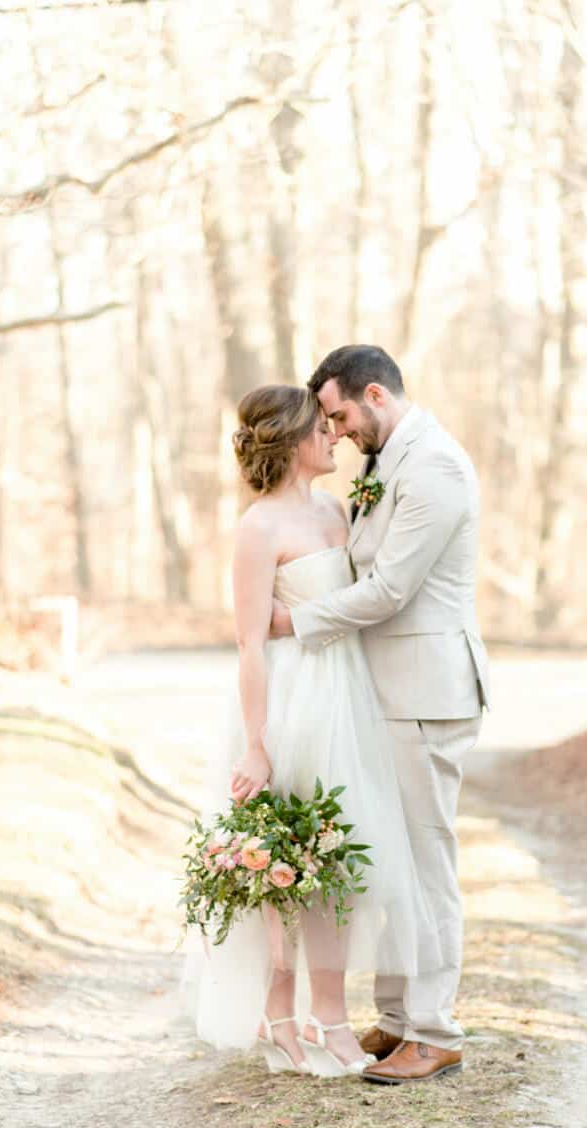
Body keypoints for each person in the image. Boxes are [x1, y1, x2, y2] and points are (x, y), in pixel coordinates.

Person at [184, 383, 443, 1079]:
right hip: (293, 700)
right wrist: (258, 742)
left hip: (350, 694)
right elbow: (248, 645)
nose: (334, 435)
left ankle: (332, 1014)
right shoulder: (258, 528)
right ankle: (281, 1012)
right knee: (287, 862)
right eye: (322, 429)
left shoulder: (337, 508)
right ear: (295, 442)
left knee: (339, 862)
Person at [271, 345, 490, 1084]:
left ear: (375, 394)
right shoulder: (388, 460)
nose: (333, 432)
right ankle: (398, 1019)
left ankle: (436, 1030)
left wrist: (294, 623)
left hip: (428, 692)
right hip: (390, 690)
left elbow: (391, 588)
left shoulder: (435, 468)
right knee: (393, 859)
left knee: (425, 865)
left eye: (337, 415)